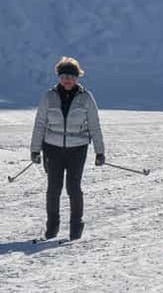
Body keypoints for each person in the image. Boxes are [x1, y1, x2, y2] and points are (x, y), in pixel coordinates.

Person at [31, 57, 105, 241]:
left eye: (71, 76)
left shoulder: (86, 97)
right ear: (59, 77)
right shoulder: (49, 97)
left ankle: (76, 227)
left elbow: (95, 125)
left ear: (77, 78)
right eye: (64, 76)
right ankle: (52, 228)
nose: (67, 80)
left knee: (73, 187)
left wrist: (99, 151)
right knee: (53, 188)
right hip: (52, 148)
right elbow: (40, 123)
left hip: (77, 149)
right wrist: (35, 149)